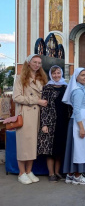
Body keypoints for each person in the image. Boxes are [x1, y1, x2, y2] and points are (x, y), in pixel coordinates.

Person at [13, 54, 48, 184]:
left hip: (37, 115)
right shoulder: (20, 78)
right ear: (29, 63)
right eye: (35, 62)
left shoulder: (41, 78)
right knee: (24, 145)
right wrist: (36, 100)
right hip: (26, 115)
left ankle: (29, 171)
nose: (37, 65)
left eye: (39, 63)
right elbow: (16, 97)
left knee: (32, 145)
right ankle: (21, 173)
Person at [37, 66, 71, 182]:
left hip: (64, 121)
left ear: (61, 73)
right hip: (51, 122)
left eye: (58, 73)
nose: (56, 75)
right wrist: (44, 124)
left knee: (60, 148)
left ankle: (57, 172)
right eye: (54, 73)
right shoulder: (47, 88)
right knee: (50, 150)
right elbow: (44, 107)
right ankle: (51, 174)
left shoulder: (66, 87)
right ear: (51, 75)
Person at [62, 68, 85, 185]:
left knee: (78, 148)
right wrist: (81, 127)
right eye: (82, 75)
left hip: (83, 120)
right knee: (79, 149)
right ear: (76, 77)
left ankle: (70, 175)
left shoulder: (82, 89)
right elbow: (76, 110)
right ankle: (77, 175)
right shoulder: (78, 91)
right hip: (79, 122)